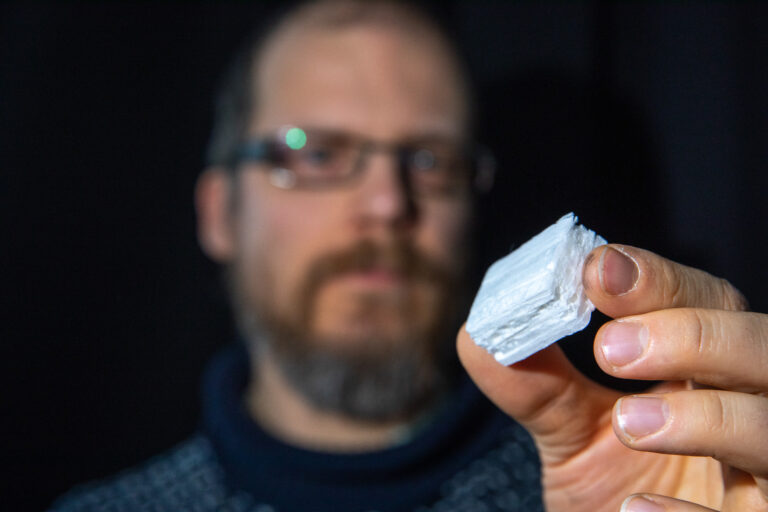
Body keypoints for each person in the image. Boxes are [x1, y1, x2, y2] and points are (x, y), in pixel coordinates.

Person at [51, 1, 768, 511]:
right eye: (317, 152)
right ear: (219, 213)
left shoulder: (634, 480)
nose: (389, 203)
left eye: (429, 159)